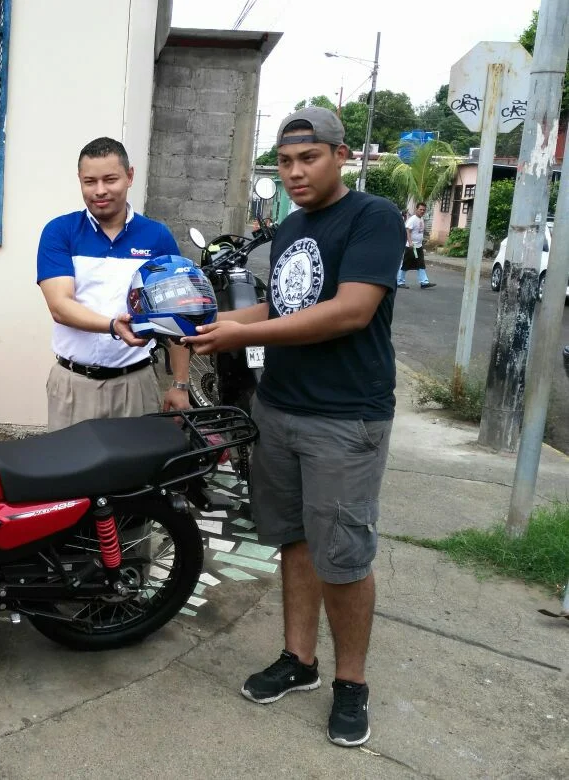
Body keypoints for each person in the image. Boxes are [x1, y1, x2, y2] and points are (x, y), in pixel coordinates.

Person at [184, 107, 404, 748]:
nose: (296, 171)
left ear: (340, 156)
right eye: (284, 162)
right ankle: (299, 661)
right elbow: (282, 307)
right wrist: (208, 323)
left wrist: (240, 330)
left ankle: (352, 683)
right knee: (294, 542)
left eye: (309, 158)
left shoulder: (373, 218)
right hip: (278, 408)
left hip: (345, 419)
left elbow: (349, 312)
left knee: (343, 556)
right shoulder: (292, 227)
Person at [37, 137, 191, 431]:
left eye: (110, 179)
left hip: (135, 384)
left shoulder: (156, 237)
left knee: (135, 476)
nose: (100, 191)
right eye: (89, 181)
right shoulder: (60, 232)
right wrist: (112, 325)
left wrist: (180, 384)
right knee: (70, 473)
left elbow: (177, 314)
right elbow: (60, 306)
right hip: (73, 384)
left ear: (129, 176)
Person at [398, 202, 435, 289]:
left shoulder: (421, 219)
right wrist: (410, 242)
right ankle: (400, 282)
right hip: (411, 247)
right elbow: (408, 231)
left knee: (420, 263)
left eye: (424, 210)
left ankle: (424, 282)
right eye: (420, 209)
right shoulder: (413, 219)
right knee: (405, 264)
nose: (422, 211)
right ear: (416, 209)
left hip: (418, 246)